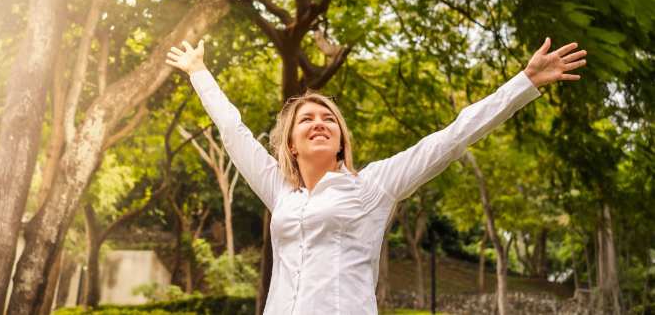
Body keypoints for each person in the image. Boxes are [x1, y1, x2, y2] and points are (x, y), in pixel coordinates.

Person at [166, 37, 586, 315]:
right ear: (290, 144)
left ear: (341, 139)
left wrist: (524, 82)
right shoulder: (281, 191)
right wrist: (199, 71)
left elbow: (450, 139)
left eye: (328, 118)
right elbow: (233, 131)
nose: (319, 122)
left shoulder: (371, 187)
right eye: (306, 119)